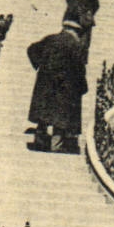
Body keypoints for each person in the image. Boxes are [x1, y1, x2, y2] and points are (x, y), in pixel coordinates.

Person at [26, 19, 88, 153]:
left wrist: (39, 66)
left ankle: (39, 141)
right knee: (60, 119)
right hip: (64, 88)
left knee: (44, 115)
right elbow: (79, 69)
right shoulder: (76, 45)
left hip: (46, 84)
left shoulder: (51, 39)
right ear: (76, 32)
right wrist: (82, 87)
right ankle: (56, 146)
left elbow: (32, 49)